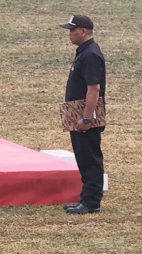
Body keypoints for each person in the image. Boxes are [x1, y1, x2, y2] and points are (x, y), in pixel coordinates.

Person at [59, 14, 105, 214]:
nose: (69, 34)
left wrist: (86, 117)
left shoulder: (91, 55)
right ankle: (86, 199)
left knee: (90, 159)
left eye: (72, 30)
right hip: (77, 114)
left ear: (84, 31)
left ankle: (91, 202)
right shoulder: (84, 52)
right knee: (83, 158)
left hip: (85, 117)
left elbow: (93, 89)